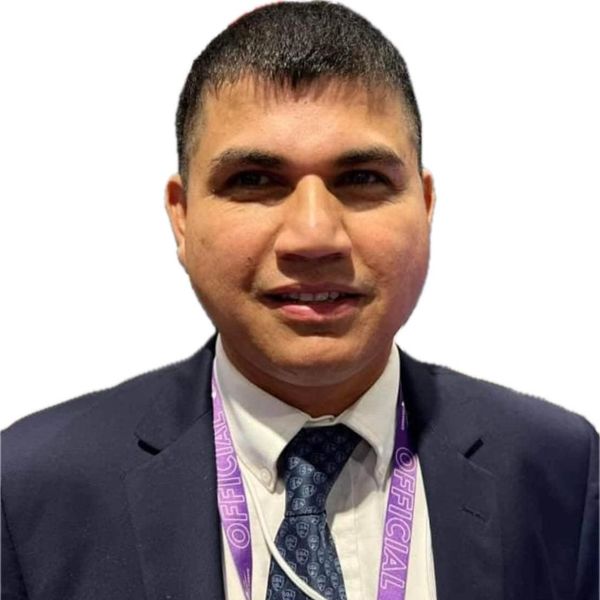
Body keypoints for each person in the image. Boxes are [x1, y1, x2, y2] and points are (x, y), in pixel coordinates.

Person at [2, 2, 597, 599]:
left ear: (425, 205)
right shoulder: (28, 490)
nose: (314, 236)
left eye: (362, 178)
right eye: (254, 181)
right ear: (181, 218)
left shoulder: (560, 470)